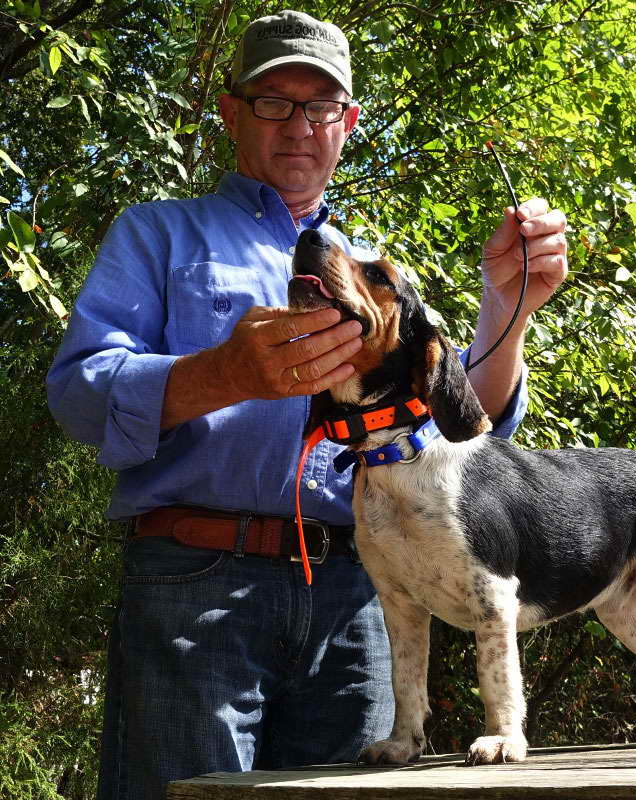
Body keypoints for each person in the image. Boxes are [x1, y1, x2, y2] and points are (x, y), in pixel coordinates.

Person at [46, 9, 568, 800]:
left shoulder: (370, 270)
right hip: (195, 585)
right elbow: (77, 397)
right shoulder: (157, 235)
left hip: (364, 596)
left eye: (320, 106)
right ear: (230, 111)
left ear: (348, 123)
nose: (299, 126)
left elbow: (464, 434)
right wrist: (222, 374)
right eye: (273, 101)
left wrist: (509, 307)